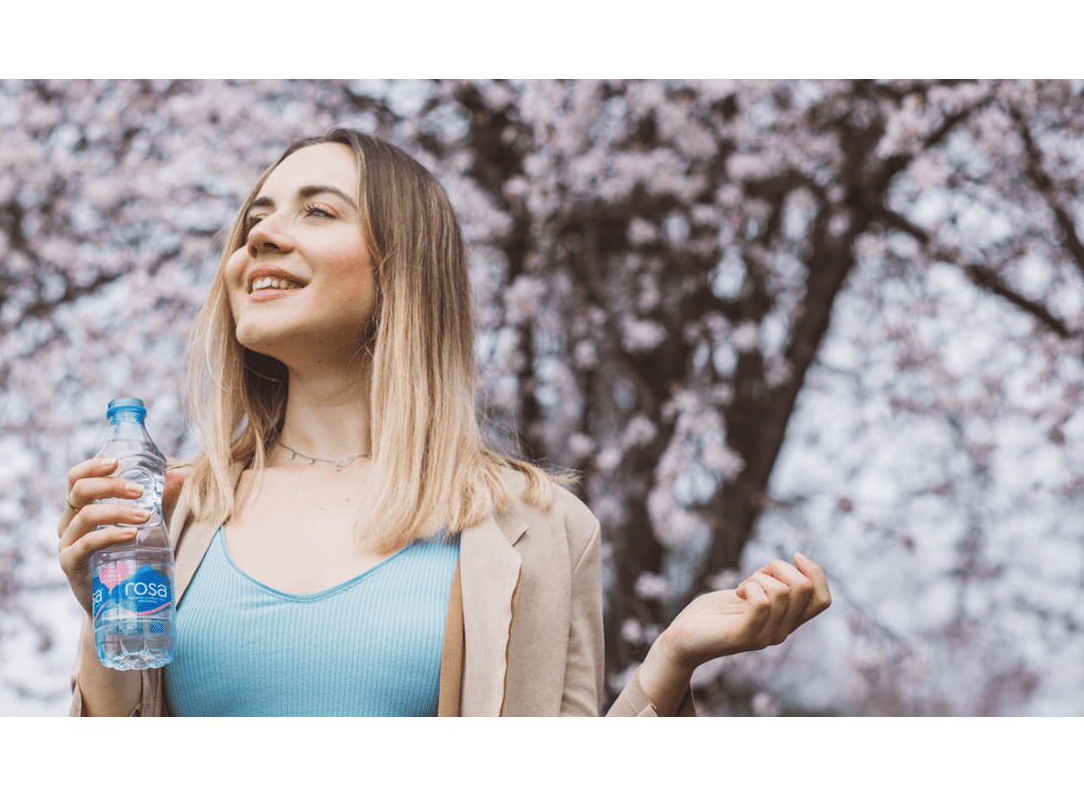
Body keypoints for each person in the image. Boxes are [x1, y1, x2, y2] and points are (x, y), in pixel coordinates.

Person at [57, 129, 830, 716]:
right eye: (254, 219)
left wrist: (670, 664)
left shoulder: (537, 527)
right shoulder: (175, 518)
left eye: (318, 210)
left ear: (403, 268)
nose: (257, 235)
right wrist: (104, 618)